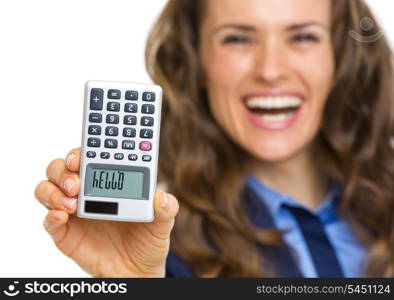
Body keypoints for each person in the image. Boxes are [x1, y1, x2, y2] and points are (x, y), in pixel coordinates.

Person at [34, 0, 394, 277]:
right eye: (238, 38)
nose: (270, 70)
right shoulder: (160, 253)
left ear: (342, 59)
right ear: (197, 61)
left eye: (303, 36)